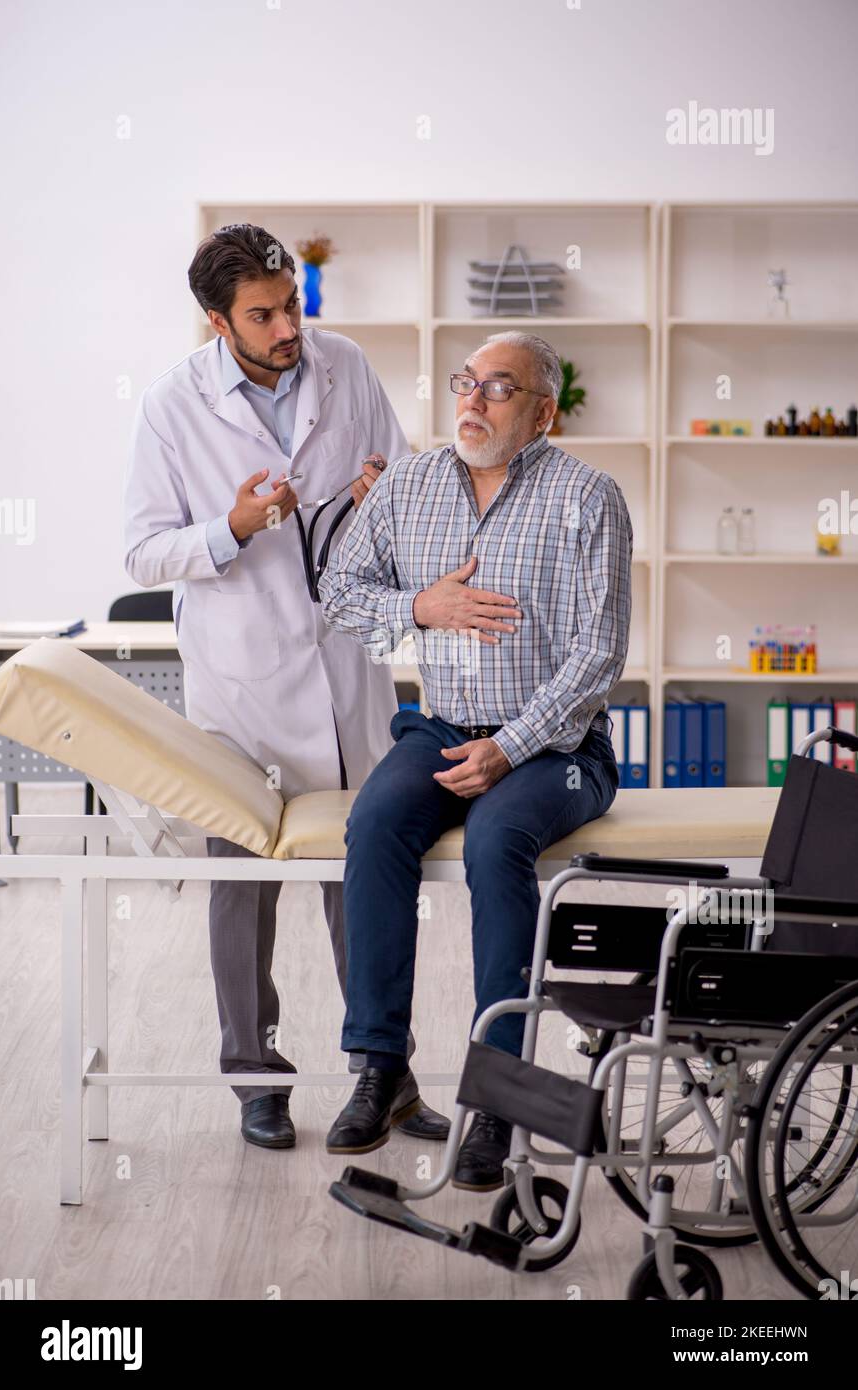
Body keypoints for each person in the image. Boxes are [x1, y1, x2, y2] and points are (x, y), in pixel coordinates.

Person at [123, 223, 449, 1150]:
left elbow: (414, 489)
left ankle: (385, 1074)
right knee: (242, 885)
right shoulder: (170, 406)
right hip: (240, 684)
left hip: (346, 668)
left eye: (290, 306)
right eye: (262, 315)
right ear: (218, 320)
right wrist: (229, 526)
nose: (285, 329)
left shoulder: (343, 365)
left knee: (367, 879)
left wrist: (388, 491)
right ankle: (255, 1080)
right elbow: (145, 550)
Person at [319, 331, 631, 1189]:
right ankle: (379, 1068)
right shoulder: (410, 484)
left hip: (557, 746)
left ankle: (495, 1097)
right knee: (375, 824)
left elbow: (599, 651)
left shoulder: (587, 496)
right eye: (467, 382)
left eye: (500, 387)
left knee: (497, 844)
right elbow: (339, 593)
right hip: (439, 724)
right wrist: (419, 605)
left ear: (543, 411)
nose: (474, 400)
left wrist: (509, 749)